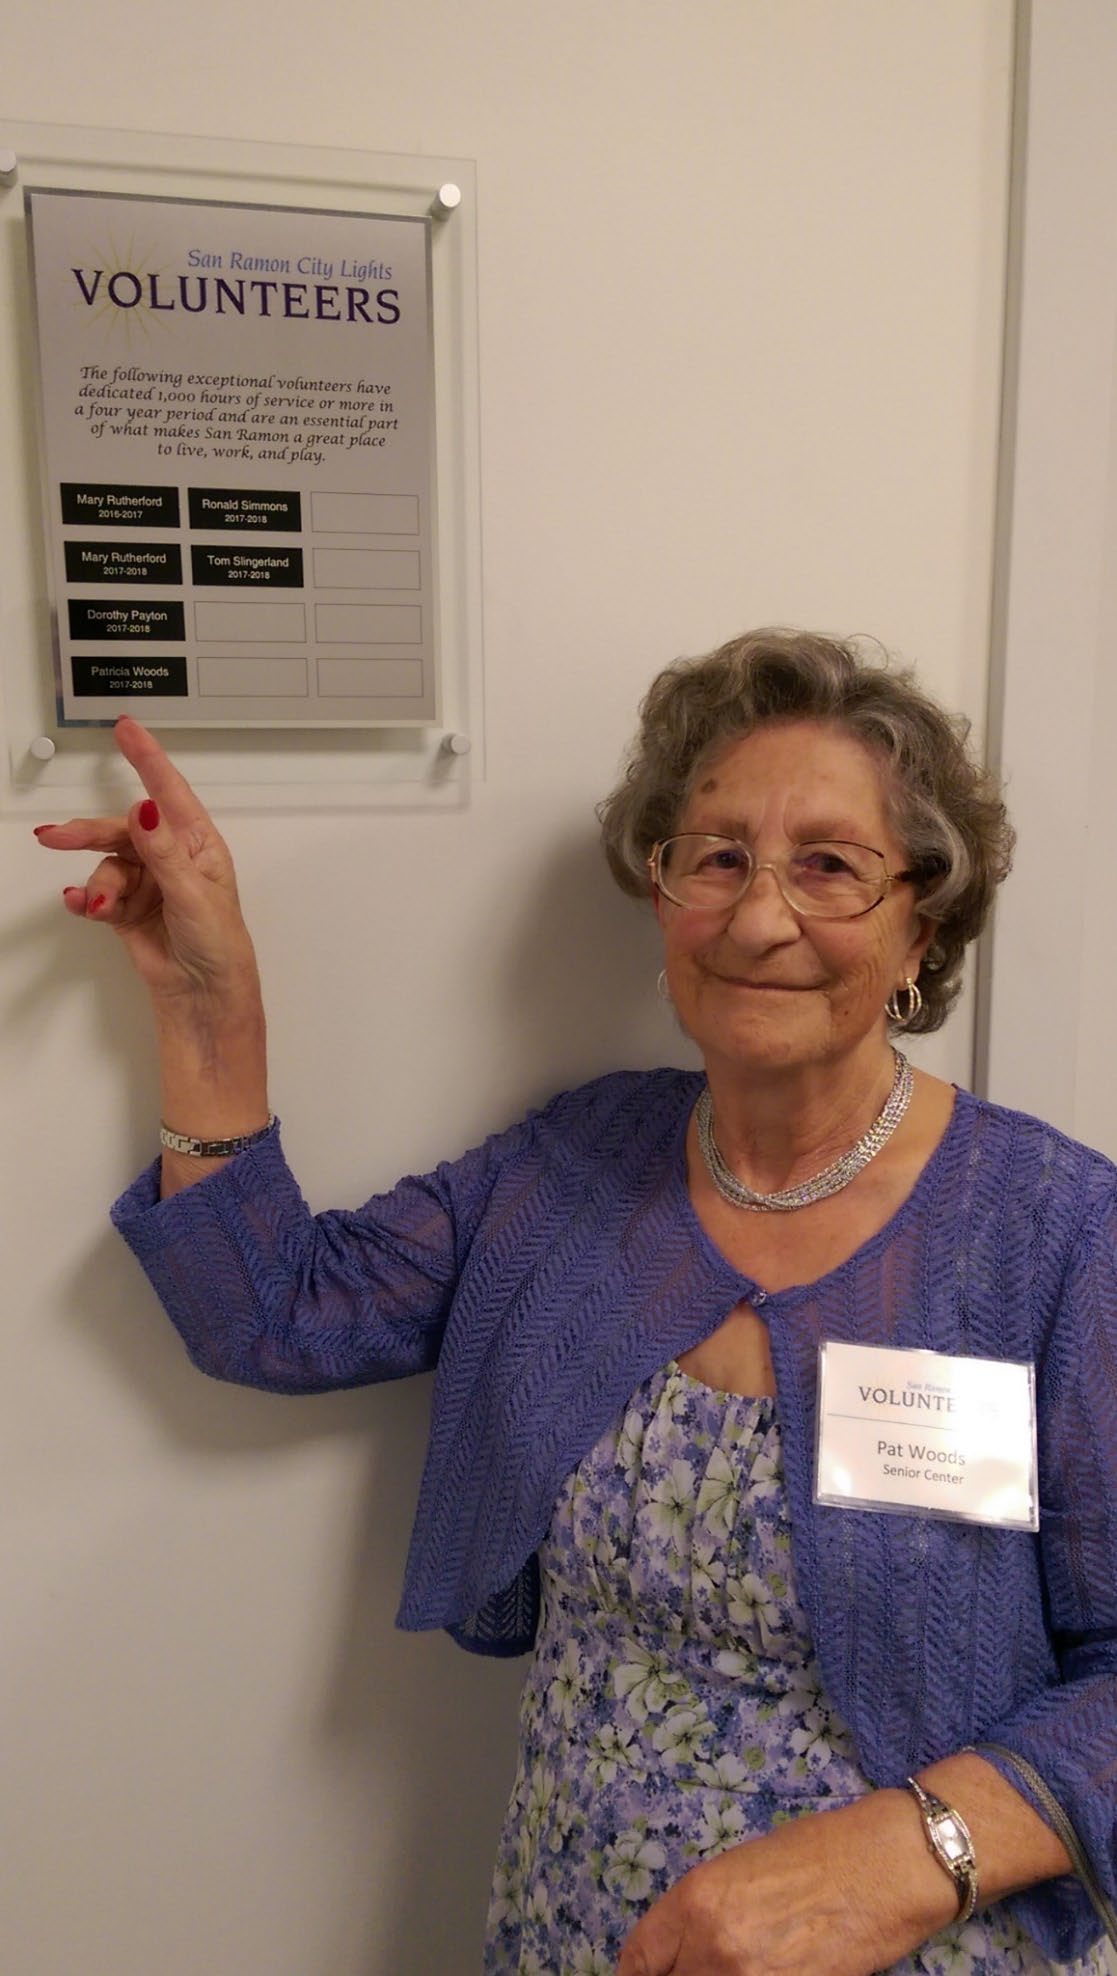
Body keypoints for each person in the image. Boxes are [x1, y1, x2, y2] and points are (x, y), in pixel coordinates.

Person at [36, 629, 1117, 1975]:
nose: (756, 915)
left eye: (828, 866)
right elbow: (272, 1312)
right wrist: (213, 1000)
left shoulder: (1058, 1235)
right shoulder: (574, 1168)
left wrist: (906, 1857)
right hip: (575, 1927)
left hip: (911, 1941)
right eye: (714, 856)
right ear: (658, 892)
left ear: (923, 925)